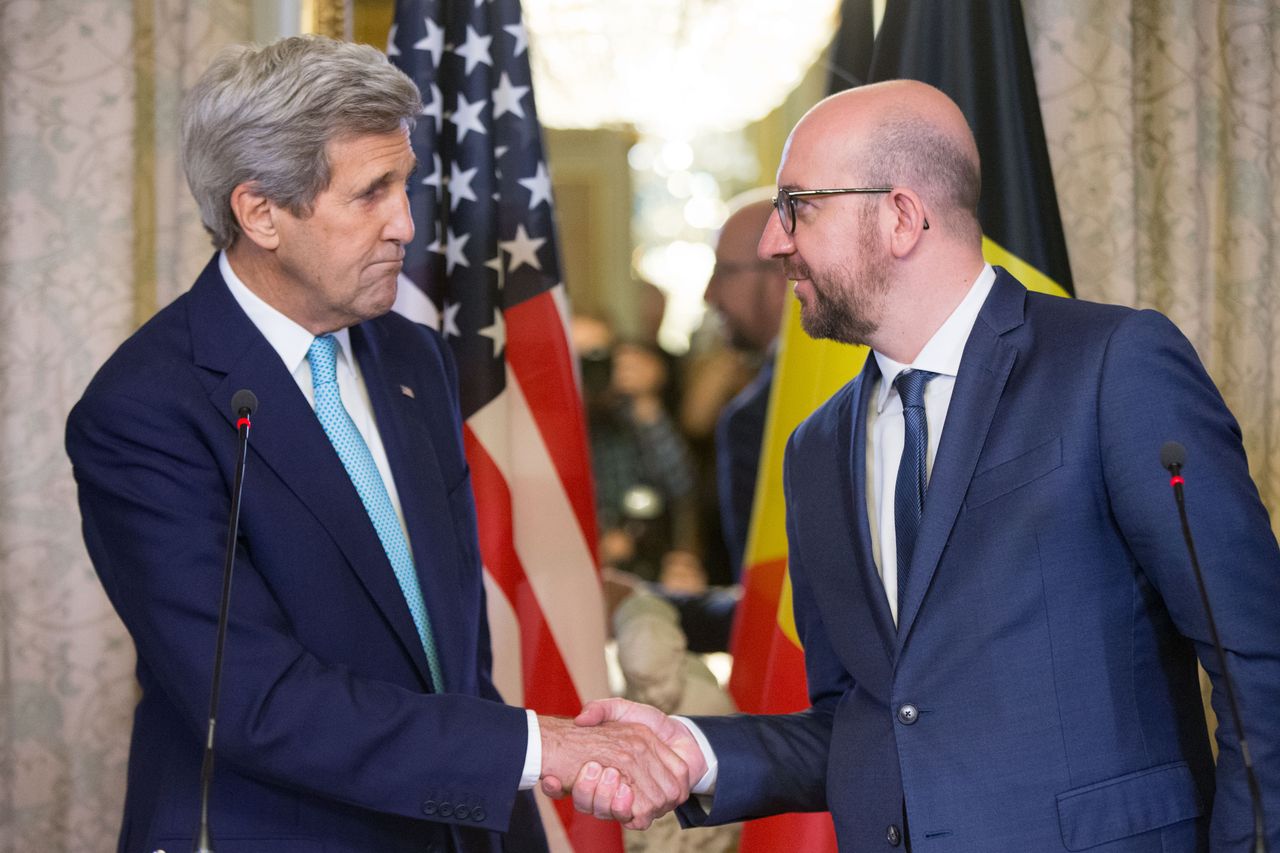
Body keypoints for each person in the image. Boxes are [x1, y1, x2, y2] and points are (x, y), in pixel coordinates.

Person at [551, 80, 1280, 851]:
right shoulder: (816, 448)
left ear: (900, 216)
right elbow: (866, 721)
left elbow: (1257, 665)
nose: (773, 241)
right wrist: (691, 751)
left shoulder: (1111, 365)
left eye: (798, 205)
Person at [65, 35, 688, 853]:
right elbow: (254, 699)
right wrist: (545, 746)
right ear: (260, 213)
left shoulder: (411, 355)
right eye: (371, 193)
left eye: (406, 183)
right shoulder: (145, 408)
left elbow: (454, 651)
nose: (406, 222)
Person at [703, 191, 789, 578]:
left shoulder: (759, 420)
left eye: (724, 271)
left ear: (780, 273)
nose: (709, 294)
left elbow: (767, 603)